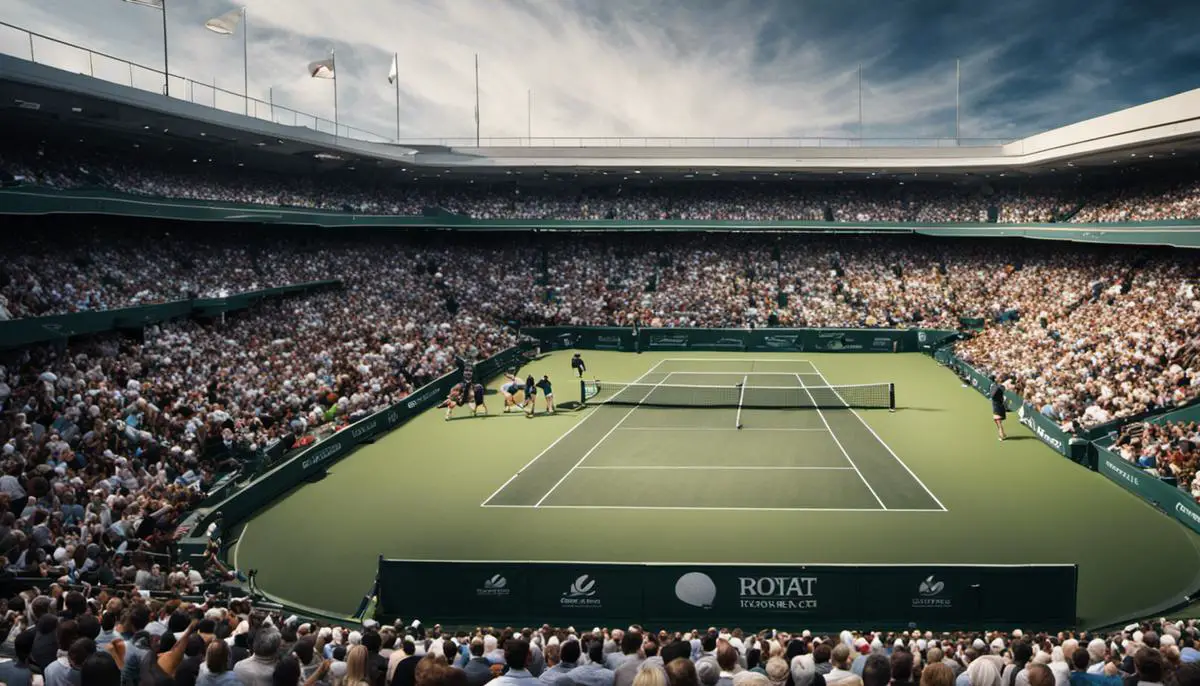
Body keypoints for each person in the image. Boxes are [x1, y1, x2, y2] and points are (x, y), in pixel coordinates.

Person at [990, 377, 1008, 441]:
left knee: (997, 421)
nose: (996, 378)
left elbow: (992, 395)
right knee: (997, 421)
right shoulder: (996, 386)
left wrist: (996, 386)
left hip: (998, 407)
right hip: (997, 406)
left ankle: (1001, 436)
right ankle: (1003, 434)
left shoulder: (1000, 387)